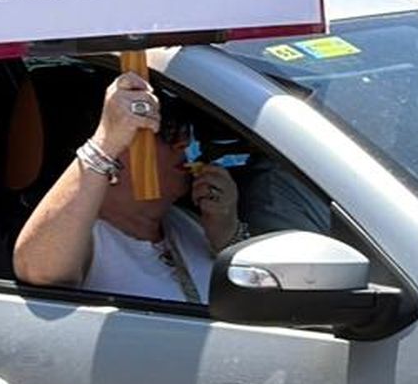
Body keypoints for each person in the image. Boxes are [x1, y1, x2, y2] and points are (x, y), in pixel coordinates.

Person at [13, 70, 246, 305]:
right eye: (165, 132)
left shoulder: (189, 221)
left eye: (184, 131)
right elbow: (38, 271)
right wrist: (105, 144)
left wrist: (228, 235)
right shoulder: (88, 240)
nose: (183, 143)